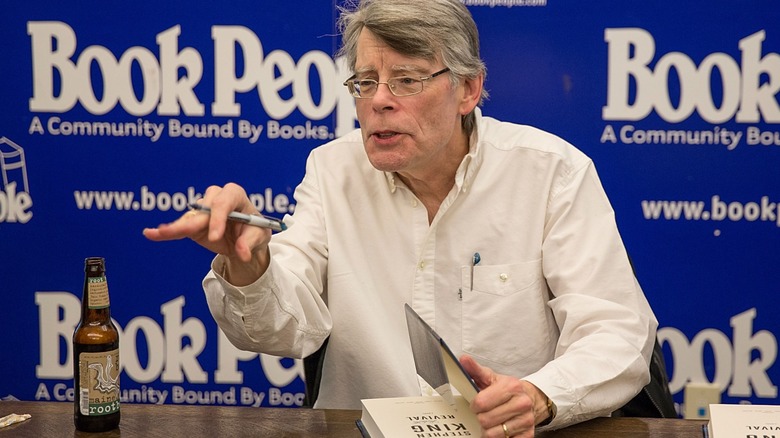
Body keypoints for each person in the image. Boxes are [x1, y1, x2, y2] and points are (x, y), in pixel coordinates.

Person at [143, 0, 657, 435]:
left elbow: (616, 333)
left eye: (406, 80)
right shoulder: (331, 170)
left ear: (468, 90)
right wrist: (252, 267)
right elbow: (283, 331)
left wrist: (540, 395)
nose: (379, 102)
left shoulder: (551, 173)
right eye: (365, 82)